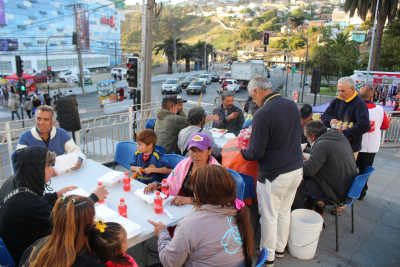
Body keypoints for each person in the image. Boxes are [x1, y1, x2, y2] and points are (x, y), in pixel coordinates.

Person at [0, 147, 107, 266]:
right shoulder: (33, 206)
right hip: (27, 257)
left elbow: (34, 199)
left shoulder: (15, 181)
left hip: (14, 245)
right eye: (47, 166)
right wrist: (92, 198)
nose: (52, 169)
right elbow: (67, 221)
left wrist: (55, 196)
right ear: (36, 170)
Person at [240, 76, 303, 266]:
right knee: (283, 211)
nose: (253, 101)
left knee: (268, 216)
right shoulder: (291, 104)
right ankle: (280, 248)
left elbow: (256, 152)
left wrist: (243, 151)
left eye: (252, 96)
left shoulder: (262, 113)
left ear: (257, 91)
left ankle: (268, 257)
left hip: (274, 174)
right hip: (296, 169)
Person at [148, 165, 254, 267]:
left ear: (198, 193)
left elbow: (169, 263)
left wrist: (163, 233)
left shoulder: (191, 224)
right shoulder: (238, 211)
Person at [19, 195, 107, 267]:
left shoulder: (37, 246)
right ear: (85, 226)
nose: (95, 222)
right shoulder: (89, 261)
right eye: (93, 218)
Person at [292, 121, 358, 215]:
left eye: (307, 137)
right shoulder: (338, 137)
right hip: (348, 186)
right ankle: (310, 206)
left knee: (299, 186)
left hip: (337, 191)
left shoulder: (321, 144)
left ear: (312, 136)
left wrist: (294, 162)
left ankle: (296, 215)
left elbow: (309, 171)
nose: (307, 139)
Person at [144, 133, 220, 206]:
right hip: (183, 206)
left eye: (201, 151)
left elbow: (217, 200)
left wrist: (190, 200)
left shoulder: (217, 172)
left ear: (209, 151)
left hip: (204, 210)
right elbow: (171, 182)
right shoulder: (185, 164)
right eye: (193, 150)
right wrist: (157, 185)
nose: (196, 155)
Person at [17, 105, 86, 172]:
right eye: (39, 119)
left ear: (53, 123)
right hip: (36, 179)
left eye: (45, 119)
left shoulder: (62, 133)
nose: (41, 122)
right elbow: (20, 162)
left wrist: (79, 159)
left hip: (59, 176)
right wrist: (45, 172)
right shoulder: (25, 137)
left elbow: (76, 151)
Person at [321, 77, 371, 157]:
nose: (340, 93)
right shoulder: (336, 101)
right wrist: (330, 120)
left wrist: (344, 134)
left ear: (352, 89)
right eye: (339, 90)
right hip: (334, 145)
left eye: (343, 91)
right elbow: (324, 116)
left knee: (344, 169)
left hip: (350, 148)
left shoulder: (359, 103)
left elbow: (364, 125)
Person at [357, 86, 390, 200]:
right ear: (371, 97)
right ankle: (361, 192)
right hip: (371, 146)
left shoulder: (355, 107)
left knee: (351, 169)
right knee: (364, 171)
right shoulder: (380, 109)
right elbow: (385, 126)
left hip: (356, 145)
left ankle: (348, 190)